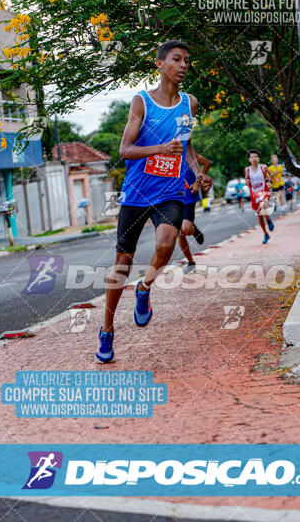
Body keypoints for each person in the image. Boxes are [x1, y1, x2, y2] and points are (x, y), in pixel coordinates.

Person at [96, 40, 212, 363]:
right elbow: (124, 150)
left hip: (170, 192)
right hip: (137, 193)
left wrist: (196, 174)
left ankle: (145, 288)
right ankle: (107, 330)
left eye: (187, 60)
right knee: (122, 263)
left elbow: (187, 148)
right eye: (177, 59)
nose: (184, 65)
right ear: (160, 64)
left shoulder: (190, 103)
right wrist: (160, 149)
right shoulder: (141, 102)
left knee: (166, 243)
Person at [178, 153, 211, 274]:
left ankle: (195, 231)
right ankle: (190, 262)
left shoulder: (188, 153)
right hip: (172, 198)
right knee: (180, 233)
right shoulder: (163, 155)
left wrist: (198, 182)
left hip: (189, 195)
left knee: (185, 229)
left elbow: (207, 163)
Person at [245, 149, 274, 244]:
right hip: (254, 194)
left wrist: (269, 182)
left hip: (264, 191)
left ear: (259, 158)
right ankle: (266, 234)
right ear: (249, 159)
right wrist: (247, 182)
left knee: (263, 209)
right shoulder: (247, 169)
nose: (254, 159)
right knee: (260, 216)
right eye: (252, 157)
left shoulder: (263, 167)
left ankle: (269, 220)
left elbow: (270, 174)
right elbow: (246, 180)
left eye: (256, 156)